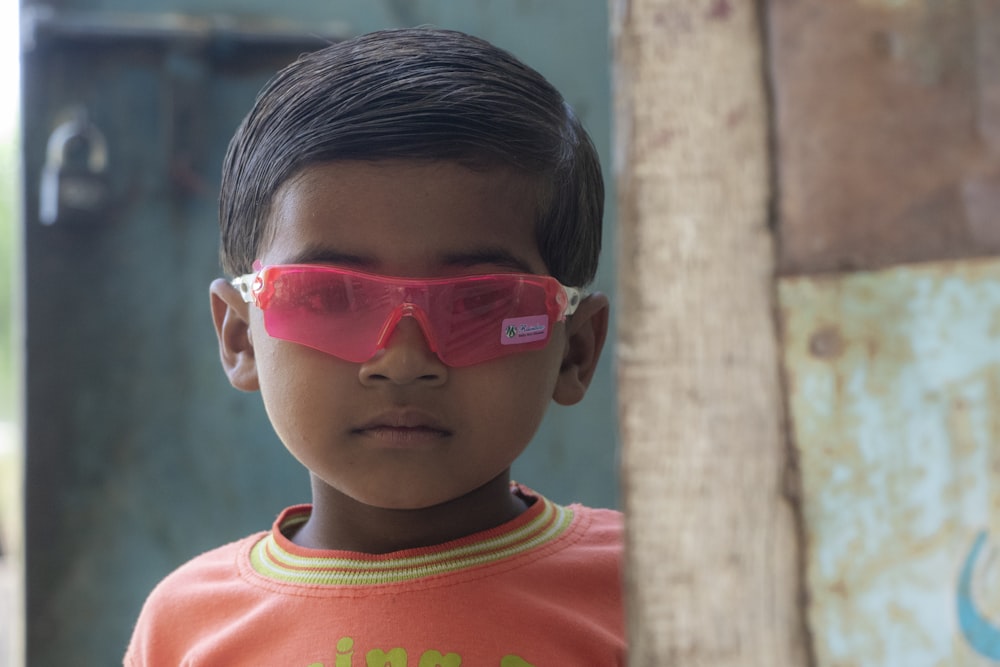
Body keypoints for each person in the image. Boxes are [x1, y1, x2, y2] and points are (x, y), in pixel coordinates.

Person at [125, 27, 622, 666]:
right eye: (330, 298)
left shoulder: (651, 590)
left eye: (478, 303)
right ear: (241, 335)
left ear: (575, 350)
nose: (404, 361)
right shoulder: (186, 628)